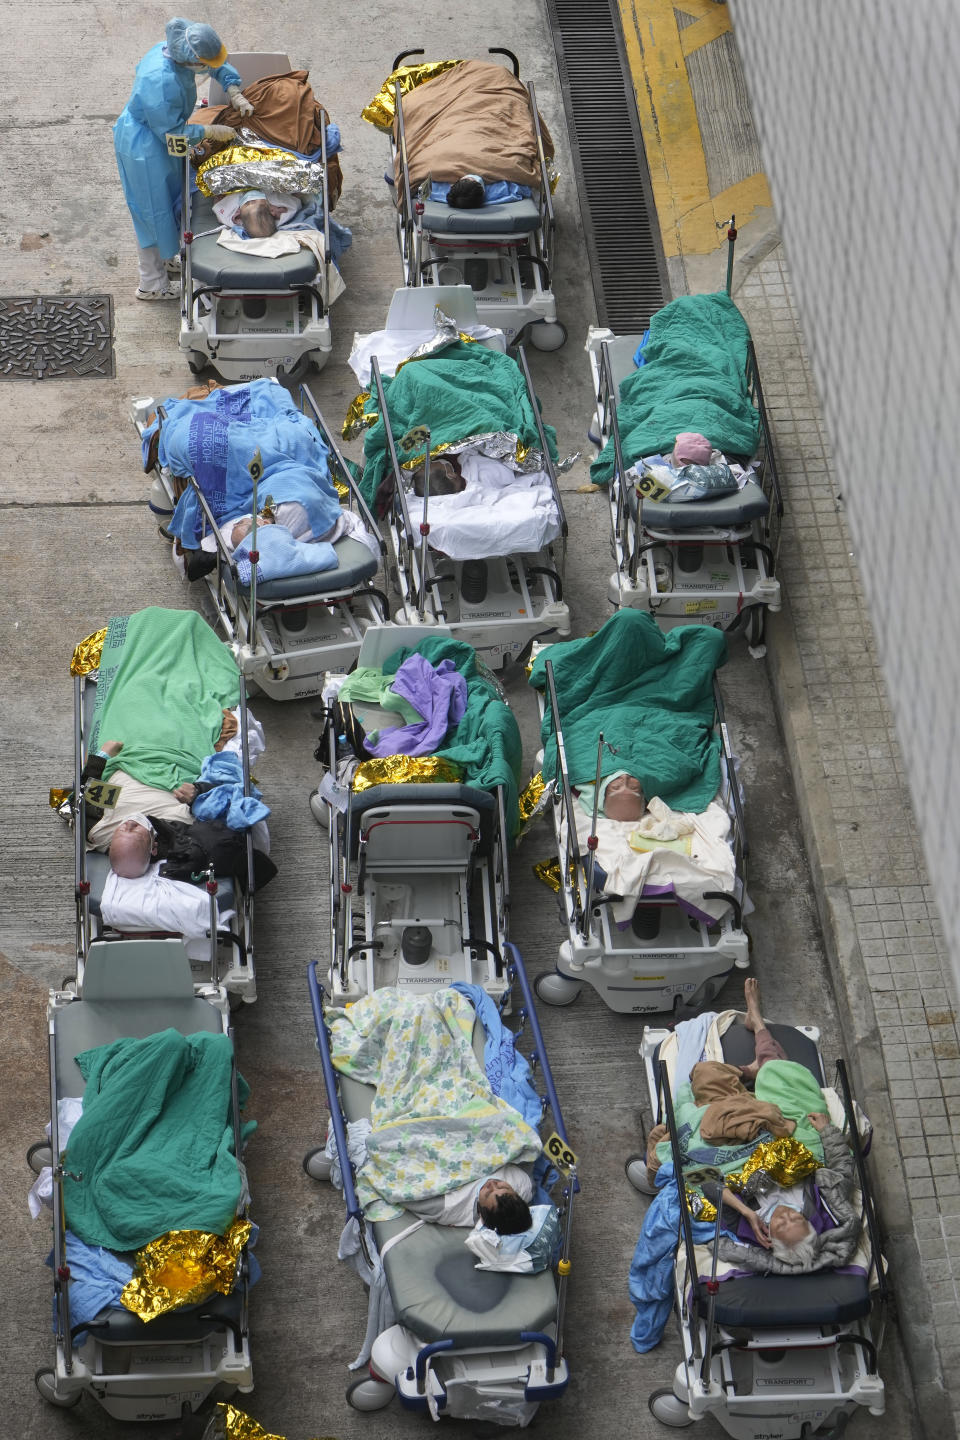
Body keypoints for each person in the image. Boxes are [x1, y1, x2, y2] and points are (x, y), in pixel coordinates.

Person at [636, 978, 861, 1274]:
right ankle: (758, 1032)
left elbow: (706, 1185)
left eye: (782, 1224)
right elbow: (843, 1168)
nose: (787, 1216)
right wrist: (825, 1131)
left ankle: (740, 1080)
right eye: (797, 1220)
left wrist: (745, 1211)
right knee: (781, 1075)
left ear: (768, 1237)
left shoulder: (744, 1221)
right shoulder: (826, 1205)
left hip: (730, 1146)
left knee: (704, 1076)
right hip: (783, 1140)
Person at [114, 18, 255, 301]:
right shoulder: (161, 82)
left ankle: (168, 259)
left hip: (163, 140)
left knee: (173, 202)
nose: (206, 67)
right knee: (152, 212)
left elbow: (214, 61)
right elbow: (172, 133)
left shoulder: (175, 51)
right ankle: (151, 284)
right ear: (190, 59)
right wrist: (208, 130)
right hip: (146, 146)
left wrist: (233, 88)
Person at [405, 1163, 534, 1236]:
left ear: (482, 1215)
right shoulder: (523, 1182)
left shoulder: (446, 1207)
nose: (492, 1184)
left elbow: (408, 1193)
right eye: (502, 1185)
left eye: (488, 1194)